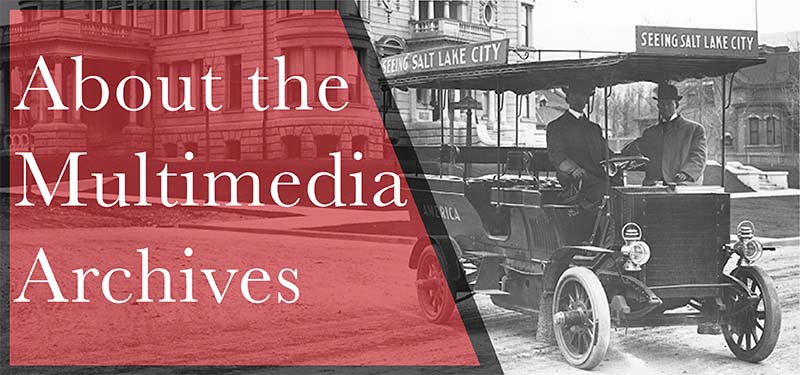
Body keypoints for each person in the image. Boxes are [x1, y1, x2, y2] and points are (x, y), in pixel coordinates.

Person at [623, 83, 707, 186]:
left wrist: (686, 173)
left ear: (676, 104)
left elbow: (698, 157)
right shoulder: (650, 133)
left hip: (681, 184)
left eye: (669, 104)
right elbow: (636, 150)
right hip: (654, 185)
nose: (665, 107)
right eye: (662, 104)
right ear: (658, 106)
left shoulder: (694, 130)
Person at [546, 81, 613, 207]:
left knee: (620, 190)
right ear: (568, 98)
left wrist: (620, 162)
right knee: (607, 191)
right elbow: (557, 156)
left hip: (599, 179)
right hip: (578, 182)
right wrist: (574, 169)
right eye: (575, 95)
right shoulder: (556, 127)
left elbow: (607, 154)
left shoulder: (594, 129)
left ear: (587, 99)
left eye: (584, 95)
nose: (580, 98)